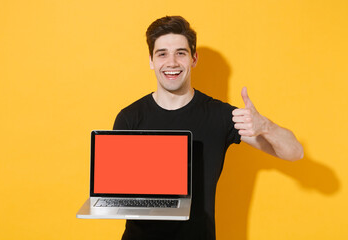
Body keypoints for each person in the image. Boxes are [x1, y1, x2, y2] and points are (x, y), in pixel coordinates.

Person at [113, 15, 303, 240]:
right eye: (162, 53)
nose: (172, 62)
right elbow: (117, 193)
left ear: (194, 58)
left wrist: (265, 126)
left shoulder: (220, 115)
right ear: (151, 61)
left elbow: (295, 153)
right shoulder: (129, 118)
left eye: (180, 53)